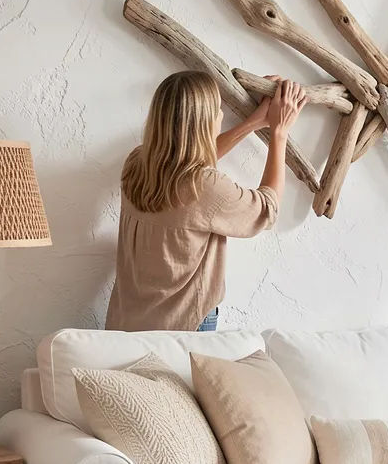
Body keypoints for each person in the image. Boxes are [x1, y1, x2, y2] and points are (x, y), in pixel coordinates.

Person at [106, 69, 305, 333]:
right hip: (184, 328)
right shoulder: (206, 186)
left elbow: (188, 164)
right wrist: (279, 134)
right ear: (205, 121)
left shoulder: (136, 164)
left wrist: (254, 122)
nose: (222, 115)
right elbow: (267, 210)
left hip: (127, 324)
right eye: (218, 109)